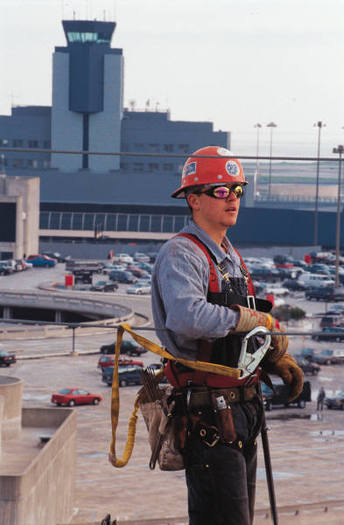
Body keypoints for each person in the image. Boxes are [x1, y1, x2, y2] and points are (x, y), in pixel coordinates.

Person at [151, 146, 304, 525]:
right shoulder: (182, 254)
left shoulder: (230, 257)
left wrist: (273, 354)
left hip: (242, 411)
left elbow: (243, 329)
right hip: (209, 415)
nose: (232, 199)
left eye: (237, 191)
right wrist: (248, 319)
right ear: (193, 199)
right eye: (221, 191)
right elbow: (187, 317)